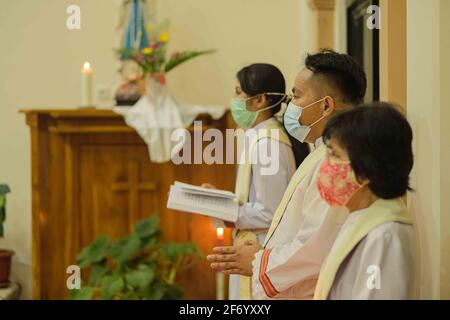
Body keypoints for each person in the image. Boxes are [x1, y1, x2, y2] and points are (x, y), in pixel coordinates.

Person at [207, 49, 367, 299]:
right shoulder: (321, 150)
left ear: (325, 105)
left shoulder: (335, 163)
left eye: (297, 96)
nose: (289, 106)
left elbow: (315, 245)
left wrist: (261, 261)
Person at [202, 63, 308, 299]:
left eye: (238, 92)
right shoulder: (260, 135)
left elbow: (269, 212)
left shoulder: (269, 143)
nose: (234, 100)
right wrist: (221, 199)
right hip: (252, 244)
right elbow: (258, 198)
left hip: (262, 246)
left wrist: (222, 208)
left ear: (259, 100)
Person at [313, 103, 415, 299]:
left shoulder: (385, 235)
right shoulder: (360, 217)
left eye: (334, 155)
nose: (326, 165)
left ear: (367, 169)